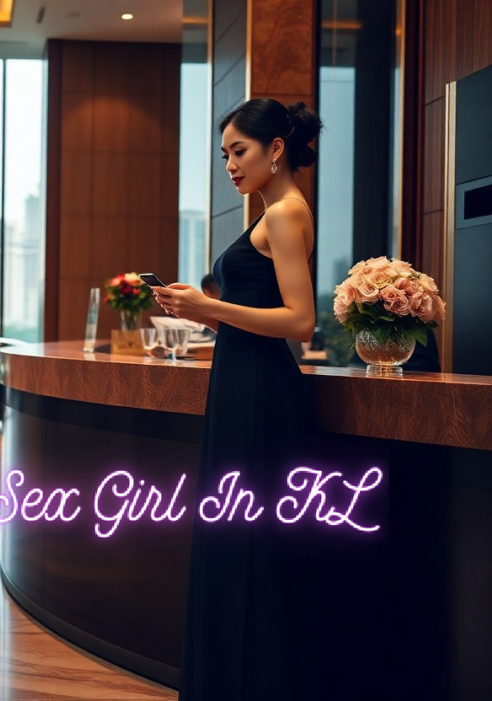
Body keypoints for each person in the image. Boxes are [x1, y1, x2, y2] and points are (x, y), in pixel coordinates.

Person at [150, 99, 378, 700]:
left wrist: (209, 308)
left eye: (239, 150)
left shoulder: (284, 212)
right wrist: (199, 313)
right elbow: (260, 319)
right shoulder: (278, 211)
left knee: (251, 541)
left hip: (260, 393)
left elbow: (302, 322)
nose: (229, 164)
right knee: (241, 534)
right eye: (224, 153)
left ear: (275, 148)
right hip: (243, 382)